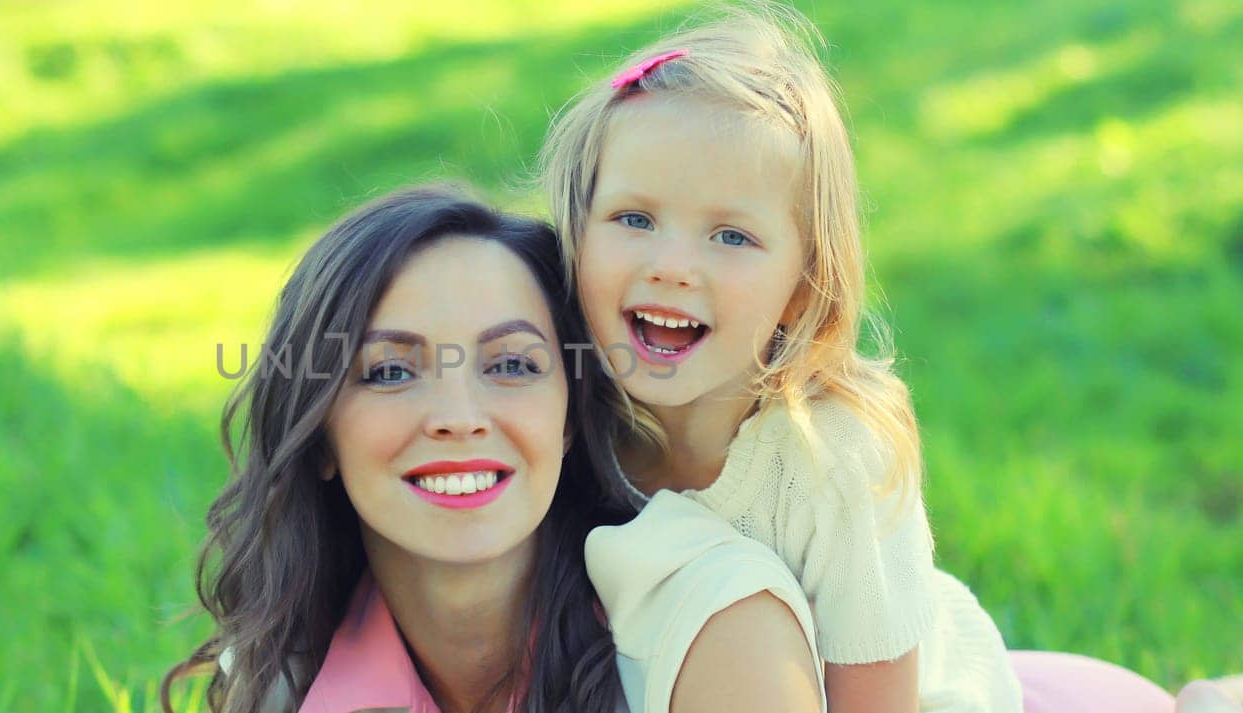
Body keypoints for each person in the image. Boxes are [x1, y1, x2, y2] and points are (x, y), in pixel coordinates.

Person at [540, 3, 1228, 712]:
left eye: (731, 236)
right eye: (635, 219)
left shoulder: (831, 459)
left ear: (803, 287)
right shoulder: (564, 413)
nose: (673, 265)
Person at [163, 184, 823, 712]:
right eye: (390, 371)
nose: (459, 418)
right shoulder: (288, 677)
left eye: (511, 365)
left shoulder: (710, 620)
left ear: (568, 414)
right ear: (320, 434)